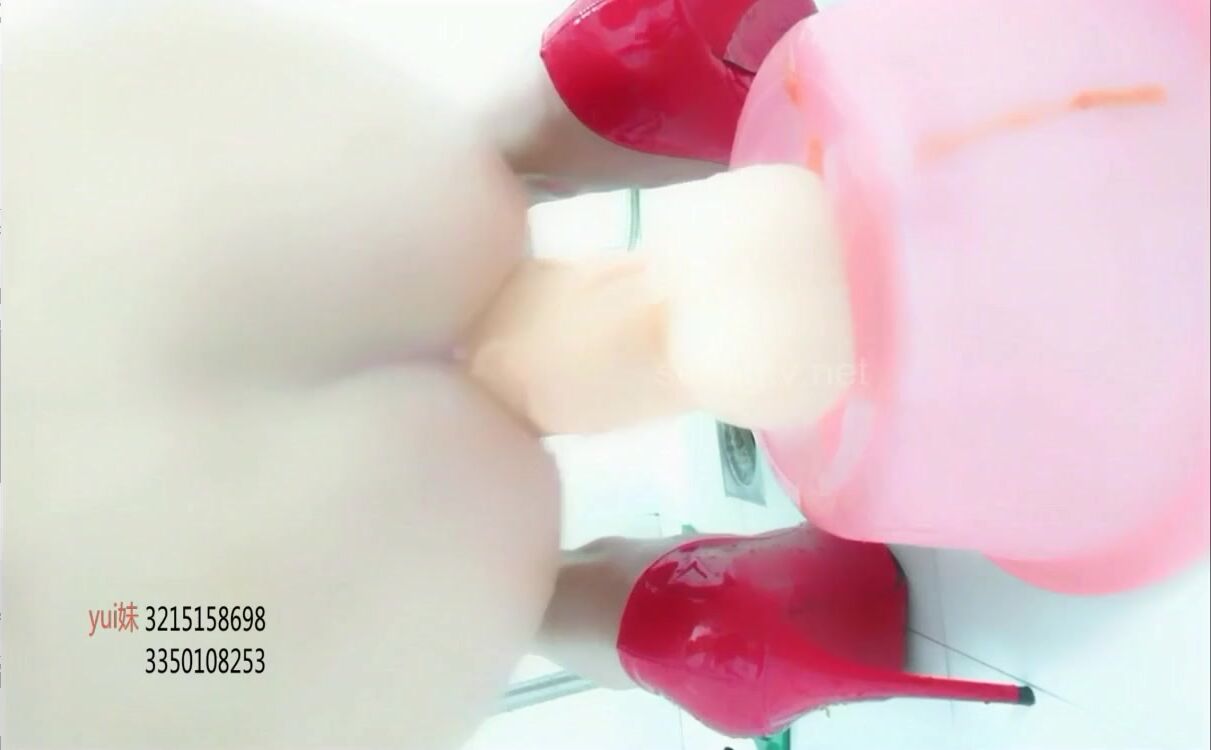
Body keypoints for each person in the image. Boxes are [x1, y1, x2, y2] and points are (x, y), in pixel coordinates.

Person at [4, 2, 853, 748]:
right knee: (109, 220)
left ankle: (685, 623)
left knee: (147, 641)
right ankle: (612, 78)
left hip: (151, 630)